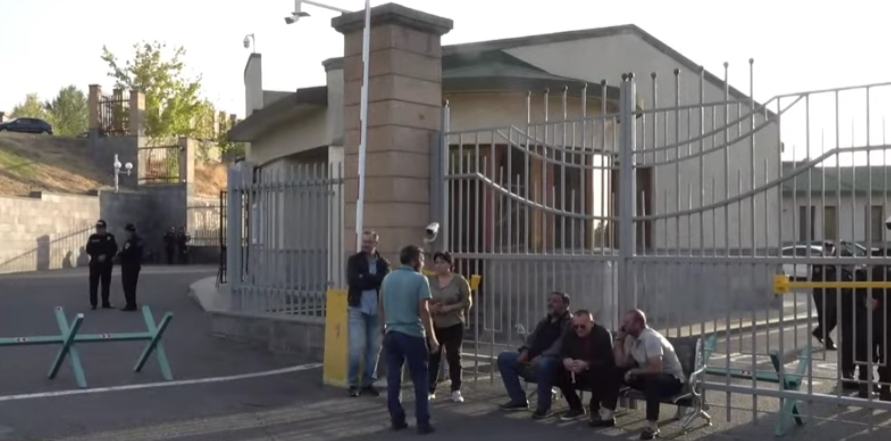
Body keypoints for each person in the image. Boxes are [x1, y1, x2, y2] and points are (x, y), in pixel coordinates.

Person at [380, 244, 439, 434]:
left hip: (392, 332)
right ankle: (423, 422)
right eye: (421, 259)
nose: (422, 263)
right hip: (412, 334)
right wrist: (432, 338)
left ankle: (397, 418)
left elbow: (381, 306)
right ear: (415, 260)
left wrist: (385, 327)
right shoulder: (420, 279)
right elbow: (424, 311)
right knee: (420, 378)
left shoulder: (388, 278)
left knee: (393, 378)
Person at [497, 291, 572, 419]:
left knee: (544, 364)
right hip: (534, 358)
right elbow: (531, 338)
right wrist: (525, 351)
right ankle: (518, 400)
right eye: (549, 300)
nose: (550, 304)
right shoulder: (545, 321)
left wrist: (542, 356)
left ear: (565, 304)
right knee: (504, 358)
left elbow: (560, 345)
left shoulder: (569, 322)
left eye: (555, 301)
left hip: (554, 362)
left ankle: (544, 408)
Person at [613, 309, 686, 440]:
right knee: (614, 370)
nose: (622, 325)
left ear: (638, 324)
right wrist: (619, 340)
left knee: (652, 379)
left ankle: (651, 425)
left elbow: (657, 368)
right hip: (649, 376)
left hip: (671, 380)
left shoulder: (650, 338)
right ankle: (606, 411)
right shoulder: (631, 338)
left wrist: (633, 372)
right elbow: (622, 363)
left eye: (627, 322)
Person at [346, 231, 391, 397]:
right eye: (363, 242)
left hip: (378, 311)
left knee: (374, 349)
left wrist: (365, 277)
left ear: (375, 244)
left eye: (368, 242)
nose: (365, 245)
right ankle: (353, 383)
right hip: (358, 309)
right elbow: (353, 281)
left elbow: (385, 281)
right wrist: (373, 279)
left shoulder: (384, 263)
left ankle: (368, 382)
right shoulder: (354, 260)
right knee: (356, 348)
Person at [555, 309, 616, 424]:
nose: (579, 329)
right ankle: (575, 406)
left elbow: (607, 360)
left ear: (591, 324)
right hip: (575, 368)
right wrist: (565, 360)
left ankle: (595, 408)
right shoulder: (570, 333)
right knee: (558, 370)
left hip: (594, 369)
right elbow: (562, 352)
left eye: (582, 326)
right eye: (576, 326)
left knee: (602, 373)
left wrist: (587, 364)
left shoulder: (603, 334)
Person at [427, 251, 472, 403]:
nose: (439, 265)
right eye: (437, 262)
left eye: (442, 262)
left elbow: (467, 302)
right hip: (435, 324)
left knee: (454, 356)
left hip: (454, 323)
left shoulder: (459, 280)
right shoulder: (429, 280)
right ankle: (430, 389)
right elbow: (422, 299)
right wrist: (431, 308)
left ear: (450, 264)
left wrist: (451, 307)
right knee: (433, 356)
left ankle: (456, 389)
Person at [85, 219, 117, 310]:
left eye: (101, 228)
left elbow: (114, 249)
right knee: (93, 283)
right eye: (98, 228)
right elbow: (88, 249)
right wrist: (96, 256)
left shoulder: (110, 237)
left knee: (106, 283)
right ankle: (93, 303)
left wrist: (106, 255)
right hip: (95, 264)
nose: (99, 230)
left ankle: (105, 302)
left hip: (107, 264)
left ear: (105, 228)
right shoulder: (93, 237)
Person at [811, 245, 838, 350]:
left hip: (831, 291)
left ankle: (819, 332)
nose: (829, 252)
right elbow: (816, 277)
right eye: (827, 249)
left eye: (831, 250)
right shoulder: (819, 260)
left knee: (835, 315)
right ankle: (827, 340)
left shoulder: (834, 260)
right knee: (824, 315)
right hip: (820, 291)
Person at [119, 223, 144, 312]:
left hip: (128, 265)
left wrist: (120, 252)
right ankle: (132, 303)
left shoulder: (130, 241)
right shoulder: (139, 240)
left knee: (127, 285)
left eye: (126, 231)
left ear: (129, 232)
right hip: (135, 265)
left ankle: (130, 304)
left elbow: (125, 253)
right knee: (132, 285)